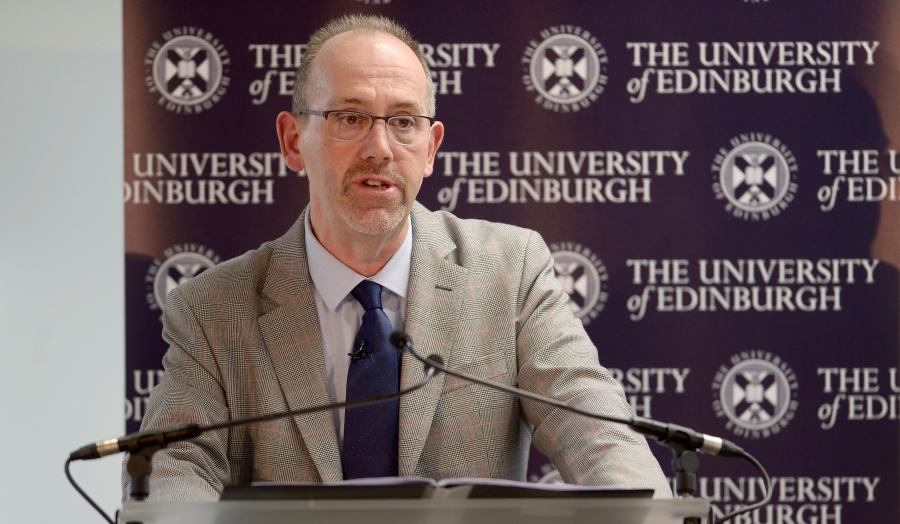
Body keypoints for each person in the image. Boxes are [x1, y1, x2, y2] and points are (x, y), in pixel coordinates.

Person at [125, 14, 671, 501]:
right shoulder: (213, 310)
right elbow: (176, 474)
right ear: (293, 140)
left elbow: (599, 439)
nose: (380, 148)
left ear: (430, 149)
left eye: (403, 121)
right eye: (350, 117)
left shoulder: (510, 271)